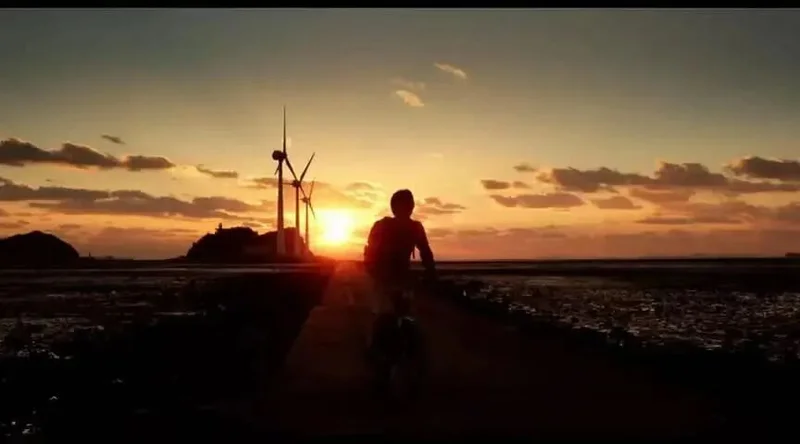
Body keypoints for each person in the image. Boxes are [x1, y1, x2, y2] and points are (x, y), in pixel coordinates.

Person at [363, 189, 436, 362]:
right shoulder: (410, 227)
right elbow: (426, 253)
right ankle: (381, 352)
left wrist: (431, 272)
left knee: (394, 316)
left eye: (410, 204)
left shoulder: (389, 226)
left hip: (393, 279)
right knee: (388, 317)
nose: (410, 207)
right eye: (408, 204)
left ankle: (383, 352)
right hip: (389, 278)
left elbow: (426, 253)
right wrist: (431, 273)